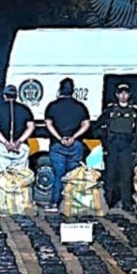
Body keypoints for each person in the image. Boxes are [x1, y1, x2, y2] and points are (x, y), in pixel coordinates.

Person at [94, 82, 137, 211]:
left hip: (126, 147)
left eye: (125, 93)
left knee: (126, 176)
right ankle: (108, 203)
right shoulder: (110, 110)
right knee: (110, 176)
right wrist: (105, 141)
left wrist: (133, 146)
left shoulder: (134, 111)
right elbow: (97, 127)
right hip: (112, 146)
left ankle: (126, 204)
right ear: (117, 95)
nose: (123, 96)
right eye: (121, 93)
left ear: (129, 95)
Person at [44, 77, 91, 212]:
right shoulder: (80, 106)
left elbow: (48, 124)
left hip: (57, 145)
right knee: (73, 175)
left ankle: (55, 203)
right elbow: (86, 124)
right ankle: (71, 203)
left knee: (59, 174)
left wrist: (60, 138)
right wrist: (74, 137)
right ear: (73, 90)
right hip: (76, 144)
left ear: (60, 90)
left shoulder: (52, 106)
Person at [0, 84, 35, 174]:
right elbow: (31, 127)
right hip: (20, 147)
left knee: (3, 176)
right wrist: (19, 141)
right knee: (20, 176)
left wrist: (5, 142)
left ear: (4, 96)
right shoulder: (25, 109)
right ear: (16, 95)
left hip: (2, 147)